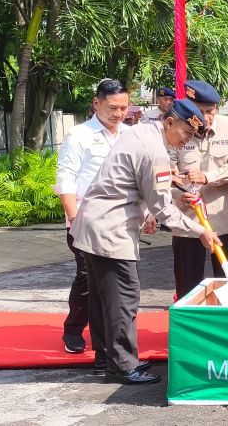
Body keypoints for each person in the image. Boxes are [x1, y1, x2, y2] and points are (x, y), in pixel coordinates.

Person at [70, 99, 218, 384]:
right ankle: (123, 366)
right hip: (111, 230)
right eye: (185, 135)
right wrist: (200, 229)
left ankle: (105, 358)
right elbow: (162, 209)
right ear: (170, 122)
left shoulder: (140, 132)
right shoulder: (156, 154)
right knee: (124, 298)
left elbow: (140, 183)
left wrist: (173, 192)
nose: (184, 142)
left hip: (92, 224)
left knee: (103, 299)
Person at [54, 79, 130, 354]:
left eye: (123, 107)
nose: (118, 113)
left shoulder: (129, 135)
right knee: (88, 277)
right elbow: (65, 177)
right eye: (112, 107)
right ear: (96, 104)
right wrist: (74, 220)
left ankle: (111, 337)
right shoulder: (80, 135)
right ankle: (74, 329)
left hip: (120, 221)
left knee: (116, 279)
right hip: (85, 220)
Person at [169, 80, 228, 299]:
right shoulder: (175, 128)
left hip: (224, 216)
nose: (206, 117)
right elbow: (168, 168)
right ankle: (190, 328)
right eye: (200, 111)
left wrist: (207, 177)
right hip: (188, 218)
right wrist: (177, 194)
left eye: (210, 111)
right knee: (187, 282)